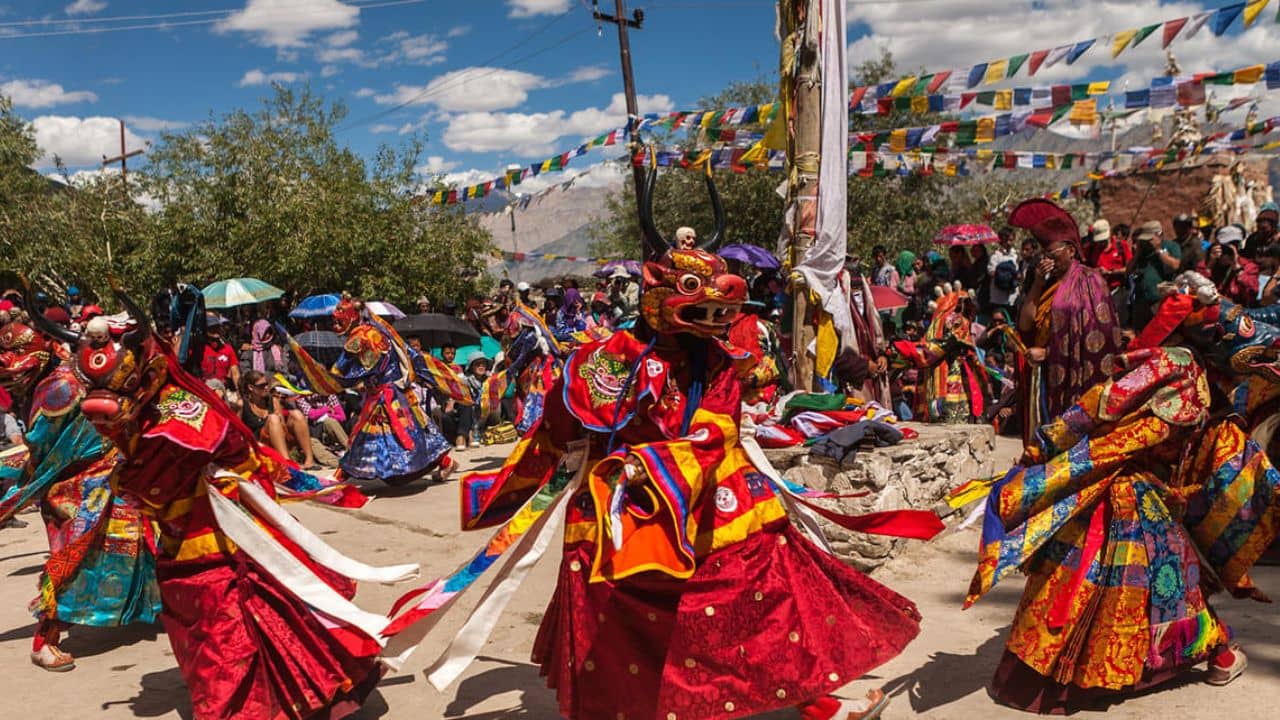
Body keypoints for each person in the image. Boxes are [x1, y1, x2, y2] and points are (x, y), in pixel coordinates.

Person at [385, 240, 942, 720]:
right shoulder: (599, 361)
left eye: (719, 308)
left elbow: (717, 427)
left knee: (770, 589)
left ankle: (817, 699)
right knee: (613, 616)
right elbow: (560, 427)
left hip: (711, 501)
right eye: (699, 303)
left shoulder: (720, 362)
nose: (716, 318)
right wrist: (525, 483)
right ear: (656, 297)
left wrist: (658, 462)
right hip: (617, 508)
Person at [33, 282, 405, 717]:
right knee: (209, 630)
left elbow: (227, 451)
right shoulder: (132, 411)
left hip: (223, 543)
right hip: (177, 543)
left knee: (235, 630)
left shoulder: (184, 412)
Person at [967, 347, 1276, 713]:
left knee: (1074, 587)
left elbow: (1079, 424)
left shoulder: (1128, 396)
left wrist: (1038, 458)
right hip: (1136, 503)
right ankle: (1217, 655)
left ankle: (1039, 675)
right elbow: (1224, 473)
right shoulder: (1185, 407)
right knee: (1174, 587)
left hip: (1101, 496)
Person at [286, 296, 457, 485]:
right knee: (411, 434)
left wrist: (322, 376)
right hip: (390, 394)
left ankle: (339, 476)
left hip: (386, 397)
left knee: (368, 436)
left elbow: (345, 370)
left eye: (338, 320)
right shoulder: (377, 330)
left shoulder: (362, 337)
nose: (335, 325)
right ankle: (447, 462)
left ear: (353, 316)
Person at [1011, 199, 1122, 455]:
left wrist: (1049, 354)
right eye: (1044, 256)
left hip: (1075, 374)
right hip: (1043, 378)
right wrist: (1038, 282)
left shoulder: (1090, 282)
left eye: (1052, 254)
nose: (1048, 261)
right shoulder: (1046, 284)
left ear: (1071, 250)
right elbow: (1026, 324)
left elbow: (1097, 339)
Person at [239, 370, 319, 470]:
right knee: (273, 418)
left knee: (296, 414)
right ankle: (286, 463)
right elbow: (236, 429)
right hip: (259, 444)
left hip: (278, 441)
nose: (266, 387)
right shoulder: (243, 404)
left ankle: (309, 460)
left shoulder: (272, 400)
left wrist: (280, 417)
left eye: (266, 384)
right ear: (251, 387)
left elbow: (283, 426)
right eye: (261, 385)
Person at [1128, 220, 1181, 332]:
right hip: (1141, 300)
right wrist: (1137, 253)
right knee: (1140, 332)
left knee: (1158, 332)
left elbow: (1175, 265)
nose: (1146, 243)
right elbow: (1128, 271)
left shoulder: (1170, 246)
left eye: (1149, 240)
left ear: (1159, 235)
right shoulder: (1143, 252)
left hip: (1159, 299)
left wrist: (1159, 251)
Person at [987, 228, 1020, 319]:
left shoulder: (1015, 255)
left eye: (1011, 240)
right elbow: (991, 272)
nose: (1009, 243)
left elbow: (1019, 274)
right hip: (998, 297)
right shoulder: (995, 256)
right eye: (1006, 240)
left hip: (1012, 298)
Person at [200, 313, 240, 387]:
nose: (216, 330)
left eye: (217, 326)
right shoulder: (199, 349)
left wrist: (239, 395)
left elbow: (235, 373)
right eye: (212, 327)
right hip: (204, 391)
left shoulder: (228, 349)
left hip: (223, 390)